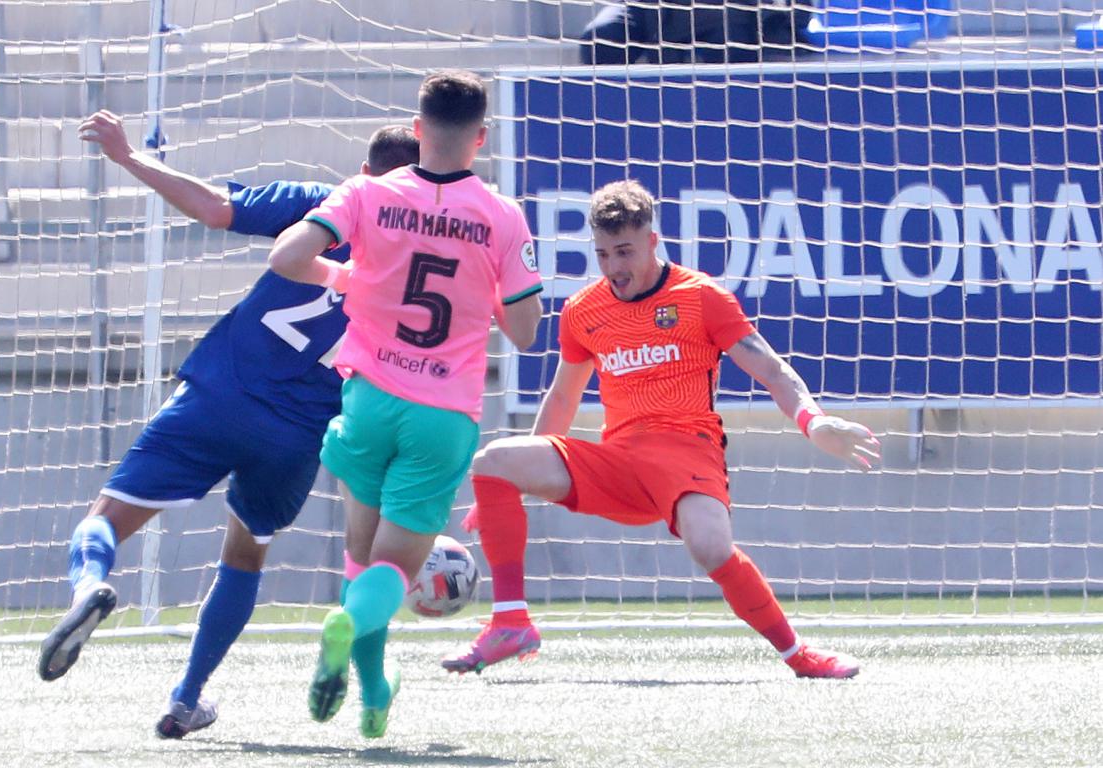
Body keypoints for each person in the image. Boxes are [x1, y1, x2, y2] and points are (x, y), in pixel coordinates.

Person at [35, 110, 419, 739]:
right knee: (245, 554)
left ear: (363, 176)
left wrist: (132, 158)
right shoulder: (427, 258)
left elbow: (215, 208)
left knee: (104, 517)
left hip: (220, 395)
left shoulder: (324, 204)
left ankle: (89, 587)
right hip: (298, 435)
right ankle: (185, 698)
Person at [442, 179, 879, 679]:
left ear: (652, 240)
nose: (614, 267)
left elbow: (774, 370)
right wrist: (508, 485)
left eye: (624, 251)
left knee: (710, 548)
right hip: (619, 460)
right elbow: (563, 396)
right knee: (492, 462)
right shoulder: (584, 309)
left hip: (687, 452)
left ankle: (799, 655)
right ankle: (510, 622)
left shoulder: (701, 297)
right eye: (603, 254)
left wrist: (813, 420)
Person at [266, 69, 544, 737]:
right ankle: (350, 628)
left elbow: (285, 257)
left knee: (360, 563)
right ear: (481, 138)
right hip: (442, 416)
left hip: (368, 400)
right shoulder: (502, 217)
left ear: (417, 130)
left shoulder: (366, 192)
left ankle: (374, 696)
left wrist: (349, 275)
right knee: (391, 571)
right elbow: (528, 332)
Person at [579, 0, 811, 65]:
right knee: (600, 42)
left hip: (730, 9)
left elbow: (801, 12)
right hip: (649, 7)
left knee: (732, 47)